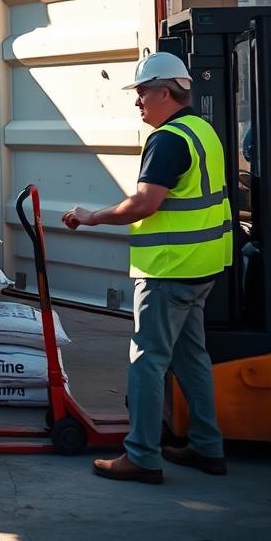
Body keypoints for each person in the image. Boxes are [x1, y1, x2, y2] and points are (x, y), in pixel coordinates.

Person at [62, 52, 230, 485]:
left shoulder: (169, 139)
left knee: (147, 360)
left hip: (169, 269)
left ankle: (141, 455)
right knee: (191, 358)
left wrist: (91, 216)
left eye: (141, 93)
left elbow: (144, 203)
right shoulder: (202, 130)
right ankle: (208, 447)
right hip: (202, 266)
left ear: (164, 90)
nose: (137, 103)